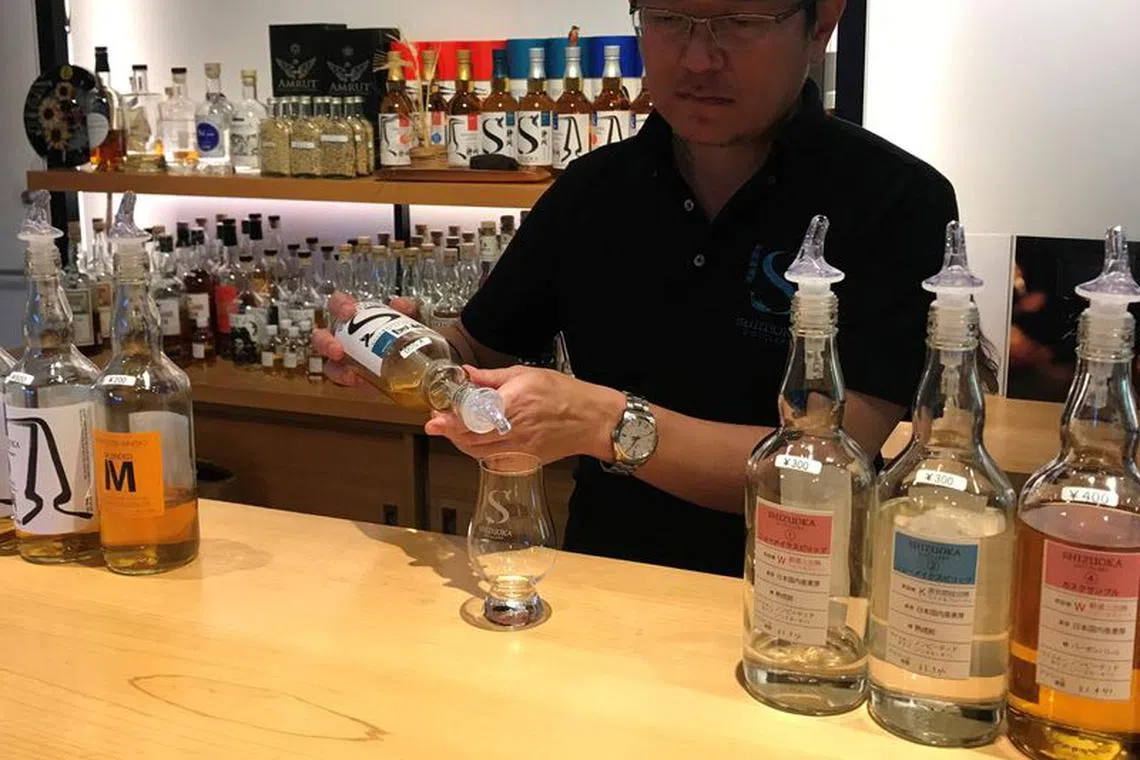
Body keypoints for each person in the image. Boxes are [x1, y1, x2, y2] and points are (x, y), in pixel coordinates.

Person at [313, 0, 961, 577]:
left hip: (801, 605)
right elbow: (474, 352)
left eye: (739, 22)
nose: (699, 57)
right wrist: (396, 352)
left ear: (820, 21)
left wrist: (606, 423)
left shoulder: (898, 201)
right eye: (669, 19)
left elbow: (828, 462)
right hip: (608, 586)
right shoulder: (592, 191)